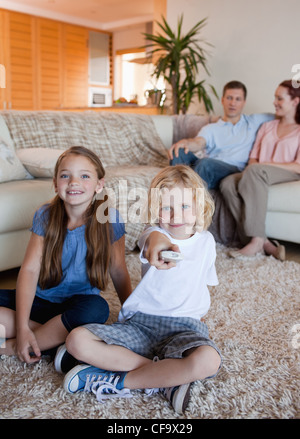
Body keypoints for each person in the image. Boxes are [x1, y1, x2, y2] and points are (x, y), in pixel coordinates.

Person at [57, 165, 222, 415]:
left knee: (210, 360)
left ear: (201, 208)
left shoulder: (207, 243)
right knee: (76, 340)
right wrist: (159, 243)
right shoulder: (152, 233)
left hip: (186, 326)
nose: (175, 215)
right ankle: (167, 379)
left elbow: (201, 283)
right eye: (166, 207)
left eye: (185, 207)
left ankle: (118, 380)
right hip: (142, 324)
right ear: (155, 210)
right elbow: (152, 243)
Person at [0, 146, 131, 364]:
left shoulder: (110, 220)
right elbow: (30, 271)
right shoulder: (45, 215)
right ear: (55, 183)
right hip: (40, 302)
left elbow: (118, 270)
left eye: (85, 176)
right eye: (65, 175)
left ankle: (16, 346)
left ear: (99, 185)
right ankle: (52, 340)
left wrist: (131, 314)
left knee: (98, 309)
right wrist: (23, 327)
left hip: (77, 307)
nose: (74, 182)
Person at [220, 80, 300, 259]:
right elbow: (253, 158)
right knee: (227, 183)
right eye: (275, 98)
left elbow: (298, 165)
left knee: (255, 172)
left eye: (280, 98)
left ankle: (256, 241)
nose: (274, 102)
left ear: (295, 102)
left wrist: (263, 166)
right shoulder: (267, 126)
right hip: (257, 173)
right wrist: (256, 166)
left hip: (289, 173)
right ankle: (262, 241)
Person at [169, 80, 274, 189]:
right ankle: (175, 196)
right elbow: (198, 143)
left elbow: (283, 115)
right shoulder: (211, 128)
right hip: (209, 165)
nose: (232, 103)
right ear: (222, 100)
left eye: (238, 99)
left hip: (233, 169)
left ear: (244, 102)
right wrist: (185, 143)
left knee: (205, 164)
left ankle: (192, 202)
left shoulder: (254, 121)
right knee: (178, 152)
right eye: (229, 98)